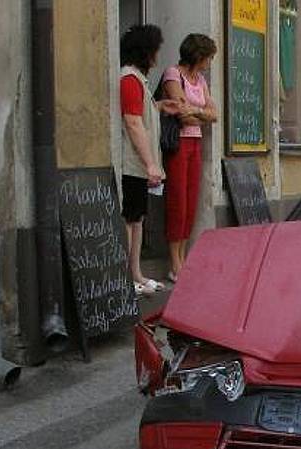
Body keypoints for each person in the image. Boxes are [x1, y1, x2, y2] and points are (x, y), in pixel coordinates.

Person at [120, 24, 184, 296]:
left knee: (137, 220)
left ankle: (135, 274)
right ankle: (128, 277)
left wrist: (158, 107)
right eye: (155, 50)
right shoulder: (129, 80)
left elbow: (140, 114)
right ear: (146, 52)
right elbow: (133, 123)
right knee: (131, 219)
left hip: (137, 164)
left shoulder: (137, 81)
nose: (158, 56)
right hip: (132, 164)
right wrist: (151, 164)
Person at [160, 34, 219, 282]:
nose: (210, 62)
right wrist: (200, 113)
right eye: (208, 57)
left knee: (191, 201)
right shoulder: (173, 74)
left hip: (195, 142)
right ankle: (174, 262)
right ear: (198, 55)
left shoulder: (200, 79)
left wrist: (196, 112)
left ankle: (183, 257)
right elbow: (181, 115)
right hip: (178, 144)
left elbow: (214, 114)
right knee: (177, 200)